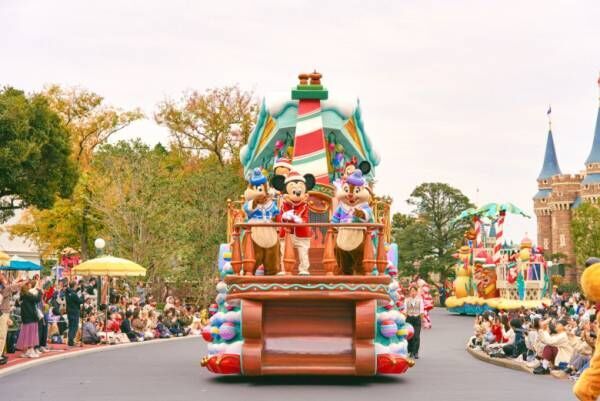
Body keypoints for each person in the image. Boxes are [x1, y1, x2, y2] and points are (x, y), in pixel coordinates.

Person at [0, 274, 26, 364]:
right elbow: (11, 288)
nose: (6, 280)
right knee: (2, 335)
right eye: (4, 279)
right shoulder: (3, 289)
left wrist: (18, 280)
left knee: (3, 334)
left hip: (4, 312)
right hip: (3, 312)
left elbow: (10, 287)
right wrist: (20, 283)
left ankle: (1, 353)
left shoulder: (4, 288)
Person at [16, 280, 42, 358]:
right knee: (31, 334)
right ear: (27, 286)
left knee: (26, 334)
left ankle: (28, 351)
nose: (31, 286)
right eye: (29, 284)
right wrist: (39, 290)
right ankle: (30, 351)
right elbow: (37, 299)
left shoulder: (22, 295)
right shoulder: (27, 295)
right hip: (31, 317)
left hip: (25, 317)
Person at [405, 285, 423, 359]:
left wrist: (421, 321)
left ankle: (416, 352)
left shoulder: (420, 300)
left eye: (414, 291)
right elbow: (405, 311)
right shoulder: (406, 300)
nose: (413, 293)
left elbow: (421, 311)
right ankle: (410, 352)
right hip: (409, 319)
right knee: (410, 336)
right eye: (411, 291)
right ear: (409, 292)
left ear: (416, 292)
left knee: (416, 336)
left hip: (417, 319)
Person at [65, 280, 84, 346]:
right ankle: (71, 340)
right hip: (75, 311)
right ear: (74, 286)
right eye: (76, 285)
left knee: (71, 326)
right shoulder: (73, 294)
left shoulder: (67, 292)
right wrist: (82, 296)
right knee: (74, 326)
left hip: (69, 311)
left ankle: (70, 340)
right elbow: (80, 301)